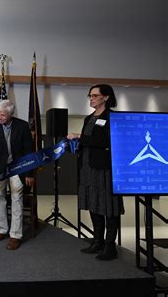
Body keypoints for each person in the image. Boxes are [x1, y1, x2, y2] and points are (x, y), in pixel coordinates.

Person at [67, 84, 124, 260]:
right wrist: (76, 146)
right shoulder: (89, 118)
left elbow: (104, 140)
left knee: (109, 206)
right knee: (94, 203)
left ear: (106, 97)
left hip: (104, 169)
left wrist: (79, 136)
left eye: (95, 95)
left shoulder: (112, 117)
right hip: (87, 167)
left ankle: (109, 246)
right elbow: (89, 142)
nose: (91, 98)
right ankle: (97, 241)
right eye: (90, 96)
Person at [0, 99, 34, 250]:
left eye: (3, 115)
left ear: (11, 114)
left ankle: (15, 236)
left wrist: (29, 173)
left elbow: (29, 151)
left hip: (18, 168)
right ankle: (2, 230)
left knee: (16, 198)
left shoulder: (22, 126)